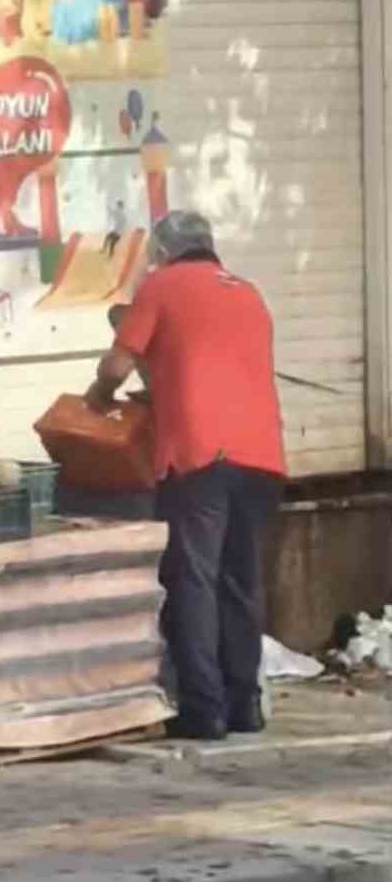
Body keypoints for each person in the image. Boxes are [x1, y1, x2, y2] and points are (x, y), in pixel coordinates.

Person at [86, 211, 285, 740]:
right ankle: (246, 705)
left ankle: (203, 710)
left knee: (194, 579)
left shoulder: (161, 285)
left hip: (201, 455)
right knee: (240, 581)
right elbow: (216, 365)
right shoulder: (248, 293)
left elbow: (117, 366)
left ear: (164, 252)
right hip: (262, 456)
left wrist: (97, 400)